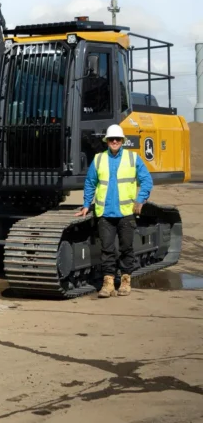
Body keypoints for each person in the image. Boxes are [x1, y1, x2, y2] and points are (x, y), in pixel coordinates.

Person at [75, 124, 153, 298]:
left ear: (123, 141)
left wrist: (140, 199)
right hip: (105, 213)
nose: (115, 141)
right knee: (107, 249)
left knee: (126, 248)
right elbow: (90, 183)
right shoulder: (99, 159)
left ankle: (125, 281)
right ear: (107, 141)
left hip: (126, 213)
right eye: (112, 139)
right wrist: (86, 204)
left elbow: (147, 180)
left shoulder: (133, 158)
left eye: (118, 139)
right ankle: (108, 283)